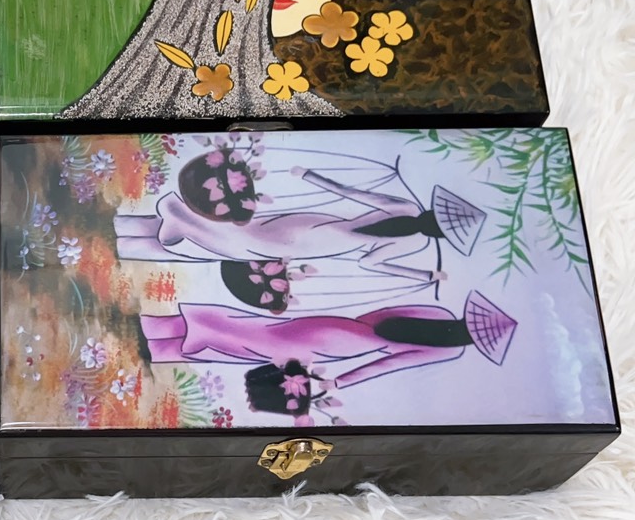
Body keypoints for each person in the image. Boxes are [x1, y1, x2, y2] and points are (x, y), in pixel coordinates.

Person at [140, 291, 518, 423]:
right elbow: (387, 363)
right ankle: (161, 345)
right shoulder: (448, 349)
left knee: (257, 332)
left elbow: (382, 316)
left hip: (339, 328)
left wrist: (349, 338)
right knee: (254, 343)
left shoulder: (437, 313)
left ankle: (158, 331)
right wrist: (340, 380)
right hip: (346, 346)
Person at [115, 159, 486, 283]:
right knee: (236, 243)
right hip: (320, 244)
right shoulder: (415, 239)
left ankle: (144, 226)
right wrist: (423, 275)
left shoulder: (406, 207)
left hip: (313, 225)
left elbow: (349, 193)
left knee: (239, 235)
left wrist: (310, 175)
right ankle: (158, 229)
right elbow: (371, 263)